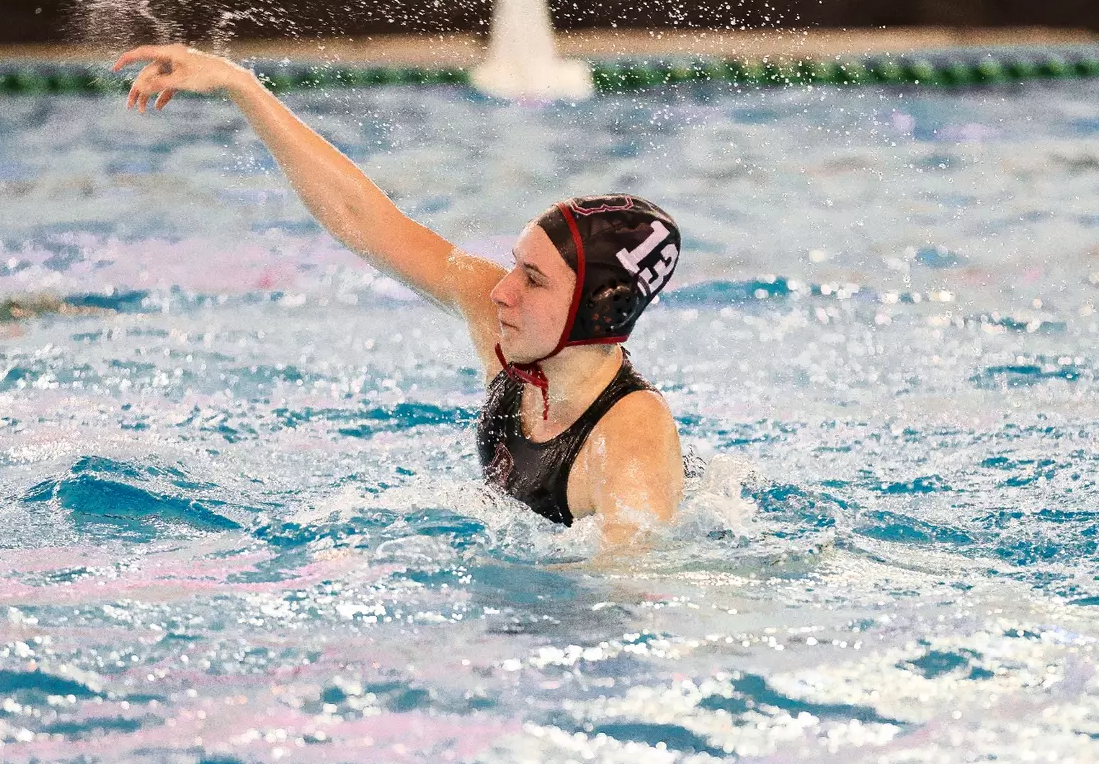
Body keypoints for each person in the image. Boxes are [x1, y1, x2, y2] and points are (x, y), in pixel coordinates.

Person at [117, 45, 685, 548]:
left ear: (597, 310)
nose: (502, 291)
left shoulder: (629, 445)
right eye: (515, 265)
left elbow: (622, 591)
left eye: (533, 279)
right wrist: (241, 86)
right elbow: (362, 219)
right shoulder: (508, 327)